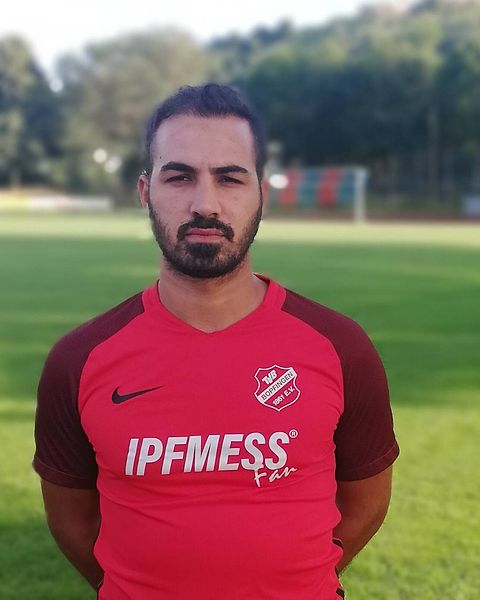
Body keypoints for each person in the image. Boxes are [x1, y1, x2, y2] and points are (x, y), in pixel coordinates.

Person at [33, 83, 399, 600]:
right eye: (179, 177)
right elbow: (72, 522)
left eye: (229, 178)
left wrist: (300, 579)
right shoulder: (79, 359)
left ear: (261, 194)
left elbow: (366, 504)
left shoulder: (341, 347)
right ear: (145, 191)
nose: (205, 203)